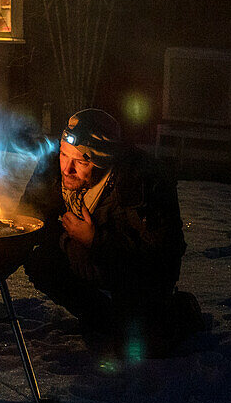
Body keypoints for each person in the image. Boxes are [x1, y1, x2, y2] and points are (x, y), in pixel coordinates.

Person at [20, 108, 205, 359]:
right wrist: (68, 241)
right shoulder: (54, 165)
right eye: (65, 154)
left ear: (102, 160)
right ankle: (102, 318)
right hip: (89, 261)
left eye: (81, 161)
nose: (67, 168)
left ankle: (179, 312)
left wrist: (95, 241)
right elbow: (29, 219)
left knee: (139, 348)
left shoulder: (142, 180)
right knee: (40, 261)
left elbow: (161, 257)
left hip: (137, 276)